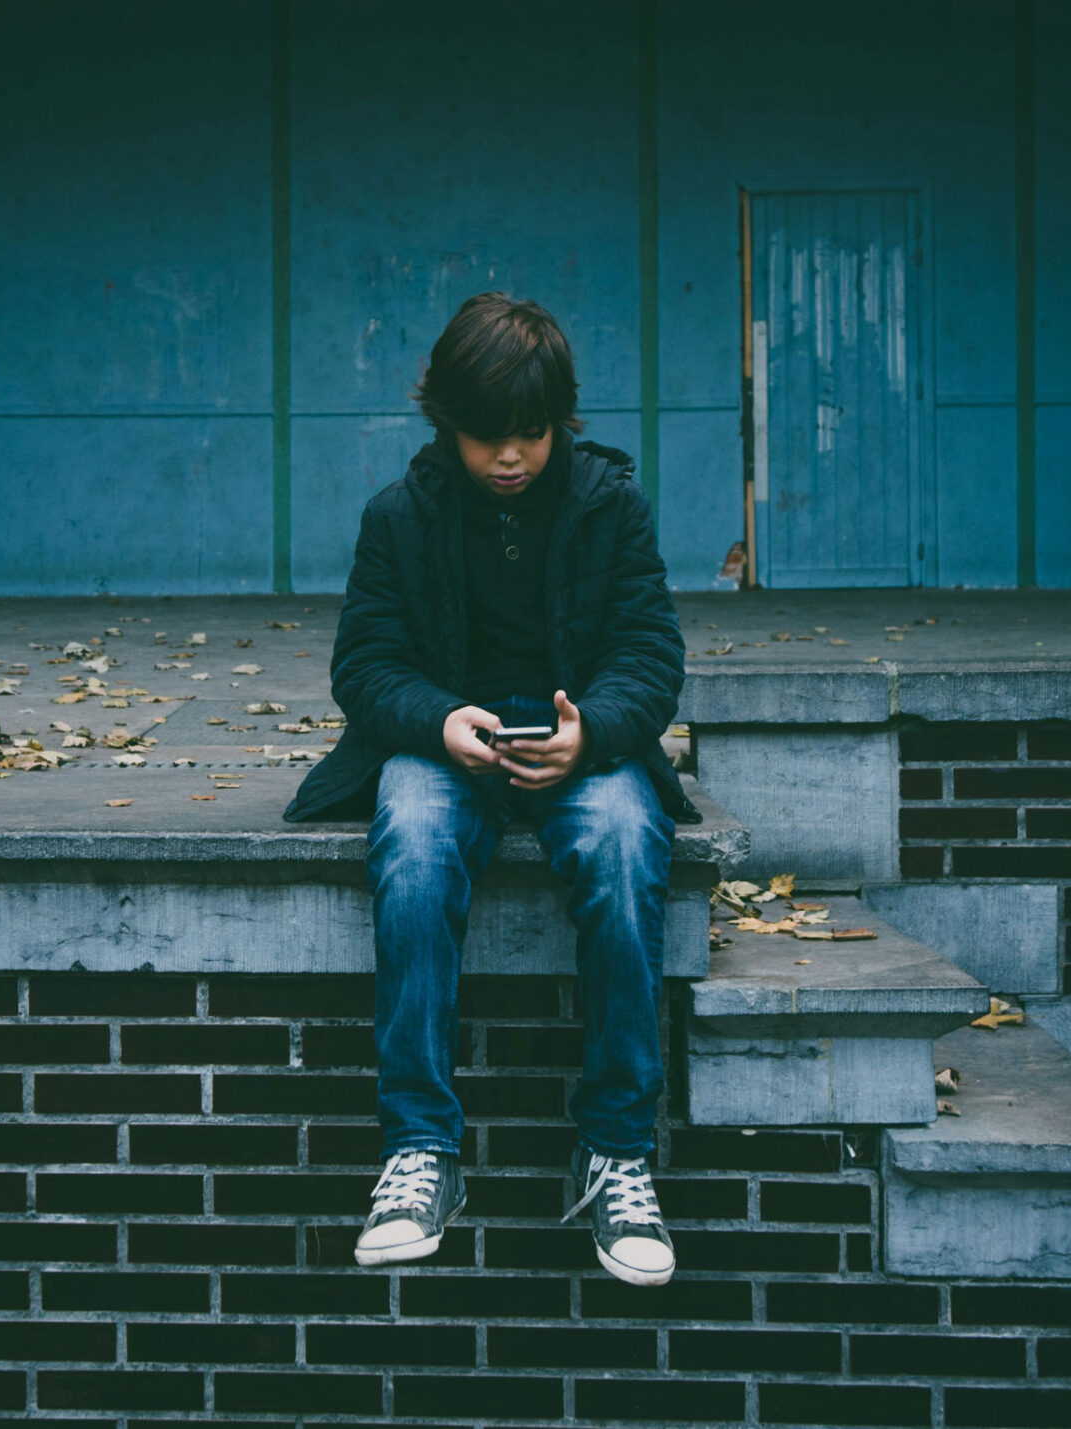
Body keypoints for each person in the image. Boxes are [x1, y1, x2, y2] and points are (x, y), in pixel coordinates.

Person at [283, 292, 695, 1287]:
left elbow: (650, 653)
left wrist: (590, 729)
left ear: (559, 423)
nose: (508, 457)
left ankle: (615, 1151)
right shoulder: (399, 516)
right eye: (485, 437)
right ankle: (417, 1150)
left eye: (530, 434)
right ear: (445, 421)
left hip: (579, 743)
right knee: (414, 845)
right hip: (444, 740)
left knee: (626, 847)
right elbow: (365, 664)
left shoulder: (609, 505)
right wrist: (436, 720)